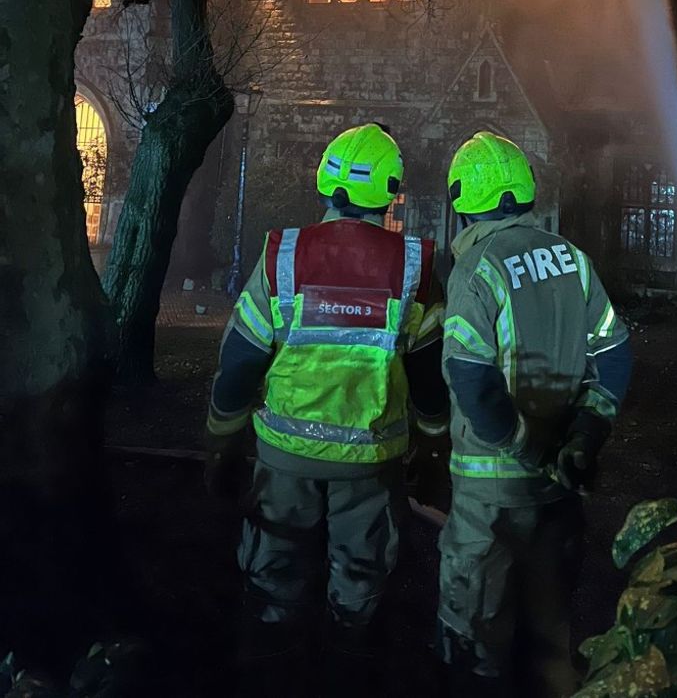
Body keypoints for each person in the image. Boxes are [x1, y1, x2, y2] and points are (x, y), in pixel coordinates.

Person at [204, 122, 446, 696]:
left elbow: (238, 364)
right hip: (370, 466)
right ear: (390, 190)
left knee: (273, 590)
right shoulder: (413, 267)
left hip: (283, 462)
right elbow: (430, 376)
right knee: (357, 596)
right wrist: (433, 441)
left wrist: (222, 440)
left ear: (325, 183)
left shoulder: (283, 257)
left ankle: (272, 678)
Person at [437, 131, 633, 697]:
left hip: (490, 499)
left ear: (463, 201)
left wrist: (529, 446)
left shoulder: (477, 268)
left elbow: (469, 376)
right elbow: (614, 352)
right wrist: (586, 435)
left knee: (475, 641)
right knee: (551, 640)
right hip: (560, 495)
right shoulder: (571, 258)